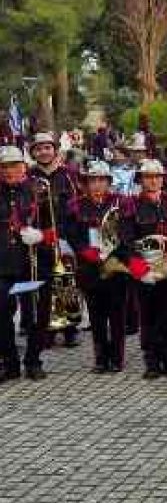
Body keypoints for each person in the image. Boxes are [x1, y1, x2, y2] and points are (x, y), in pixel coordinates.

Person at [119, 158, 167, 380]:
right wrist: (139, 270)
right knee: (147, 315)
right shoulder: (130, 205)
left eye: (158, 176)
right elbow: (126, 241)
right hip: (145, 270)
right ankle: (152, 360)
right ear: (141, 180)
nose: (154, 180)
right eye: (149, 177)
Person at [64, 161, 129, 373]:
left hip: (115, 264)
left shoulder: (121, 203)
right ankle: (101, 357)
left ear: (109, 182)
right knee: (96, 315)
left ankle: (117, 358)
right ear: (86, 183)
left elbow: (128, 232)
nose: (97, 185)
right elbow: (72, 233)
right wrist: (84, 251)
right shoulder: (76, 205)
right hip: (89, 266)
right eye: (93, 180)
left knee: (117, 314)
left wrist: (116, 254)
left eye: (102, 180)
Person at [0, 145, 54, 381]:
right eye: (4, 167)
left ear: (24, 166)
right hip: (3, 263)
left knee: (35, 314)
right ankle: (9, 362)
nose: (9, 171)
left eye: (14, 165)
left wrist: (41, 236)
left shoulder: (39, 189)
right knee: (2, 314)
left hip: (33, 261)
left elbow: (54, 228)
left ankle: (33, 360)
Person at [28, 131, 82, 346]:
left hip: (65, 235)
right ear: (33, 152)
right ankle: (47, 328)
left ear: (55, 150)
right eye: (38, 149)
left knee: (66, 281)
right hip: (38, 238)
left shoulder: (68, 174)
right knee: (45, 284)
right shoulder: (29, 176)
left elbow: (78, 204)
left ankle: (69, 328)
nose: (43, 152)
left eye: (47, 147)